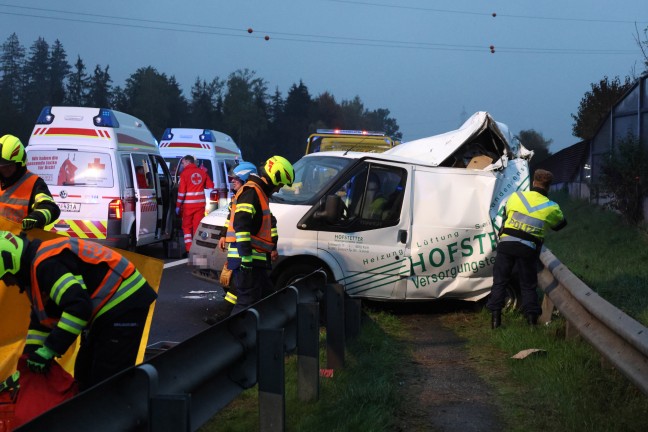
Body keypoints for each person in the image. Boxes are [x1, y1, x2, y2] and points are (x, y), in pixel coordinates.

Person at [0, 231, 157, 391]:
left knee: (107, 381)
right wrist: (26, 370)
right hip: (107, 307)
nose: (7, 283)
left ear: (11, 263)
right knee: (84, 374)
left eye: (5, 276)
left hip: (124, 301)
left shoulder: (46, 266)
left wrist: (50, 349)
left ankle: (114, 414)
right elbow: (42, 323)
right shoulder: (35, 271)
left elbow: (79, 308)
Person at [486, 169, 567, 328]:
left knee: (500, 282)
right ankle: (531, 323)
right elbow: (560, 225)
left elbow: (506, 215)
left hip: (506, 244)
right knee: (528, 284)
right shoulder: (551, 207)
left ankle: (495, 320)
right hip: (527, 249)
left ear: (533, 182)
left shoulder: (516, 197)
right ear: (548, 186)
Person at [225, 155, 294, 316]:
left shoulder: (258, 193)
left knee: (267, 299)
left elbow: (267, 224)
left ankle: (269, 337)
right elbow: (241, 226)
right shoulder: (252, 193)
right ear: (273, 178)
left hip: (256, 262)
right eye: (280, 184)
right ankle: (232, 338)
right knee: (245, 305)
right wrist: (246, 259)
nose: (278, 189)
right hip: (248, 262)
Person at [203, 161, 260, 325]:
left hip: (245, 250)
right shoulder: (240, 195)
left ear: (244, 177)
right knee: (235, 286)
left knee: (239, 287)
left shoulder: (249, 195)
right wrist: (222, 235)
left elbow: (243, 225)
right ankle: (225, 318)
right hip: (239, 249)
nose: (231, 181)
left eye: (235, 178)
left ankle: (229, 321)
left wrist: (245, 253)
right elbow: (231, 219)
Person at [0, 134, 60, 230]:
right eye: (1, 167)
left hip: (23, 242)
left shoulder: (34, 183)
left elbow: (50, 208)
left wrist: (36, 217)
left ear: (20, 163)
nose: (4, 170)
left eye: (9, 166)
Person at [176, 155, 214, 254]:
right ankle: (198, 248)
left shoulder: (184, 173)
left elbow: (181, 192)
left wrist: (178, 206)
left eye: (183, 163)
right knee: (197, 227)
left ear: (188, 162)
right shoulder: (202, 172)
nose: (183, 165)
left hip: (188, 206)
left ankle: (189, 248)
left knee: (186, 227)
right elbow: (211, 186)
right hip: (200, 205)